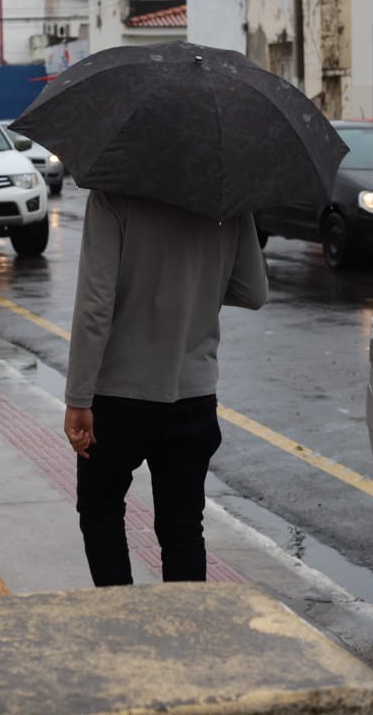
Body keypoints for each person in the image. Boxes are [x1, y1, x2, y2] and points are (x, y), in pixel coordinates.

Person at [64, 191, 268, 587]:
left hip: (117, 396)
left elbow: (95, 306)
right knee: (183, 527)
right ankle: (186, 624)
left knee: (101, 512)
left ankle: (123, 618)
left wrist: (78, 398)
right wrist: (197, 283)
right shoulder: (229, 199)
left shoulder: (112, 194)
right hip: (194, 396)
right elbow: (253, 292)